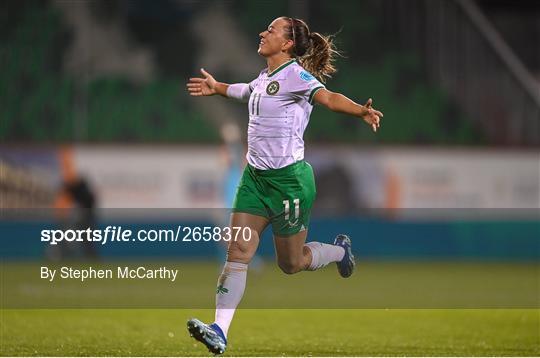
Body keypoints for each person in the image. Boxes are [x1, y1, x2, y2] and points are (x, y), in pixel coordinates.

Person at [186, 16, 383, 355]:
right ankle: (219, 330)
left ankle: (339, 251)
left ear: (288, 43)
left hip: (289, 183)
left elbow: (328, 97)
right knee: (238, 253)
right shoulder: (264, 78)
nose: (263, 32)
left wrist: (358, 112)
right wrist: (217, 87)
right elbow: (244, 91)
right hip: (255, 179)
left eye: (271, 30)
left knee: (290, 264)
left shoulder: (296, 76)